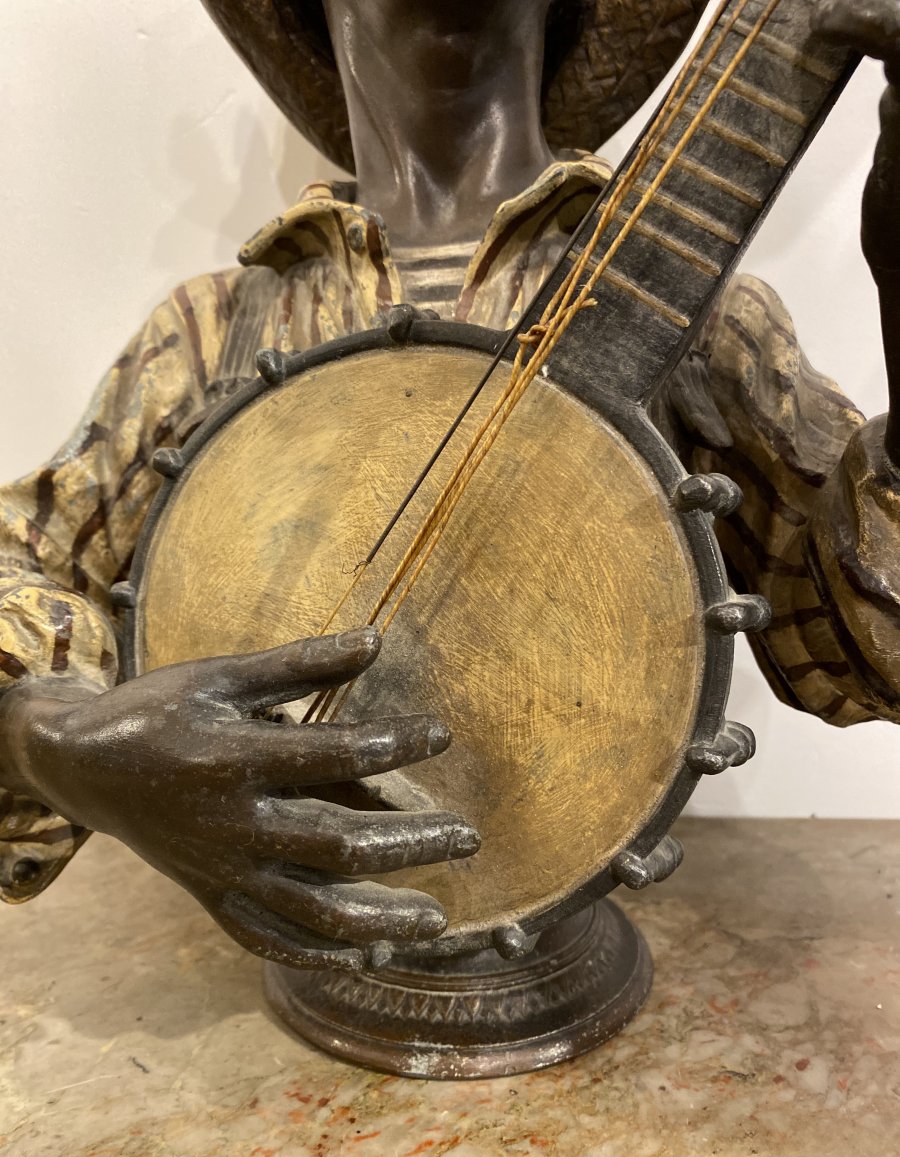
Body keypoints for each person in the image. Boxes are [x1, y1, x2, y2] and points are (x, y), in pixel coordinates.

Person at [1, 0, 898, 974]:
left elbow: (863, 645)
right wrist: (52, 741)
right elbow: (23, 557)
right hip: (298, 959)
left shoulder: (697, 305)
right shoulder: (214, 327)